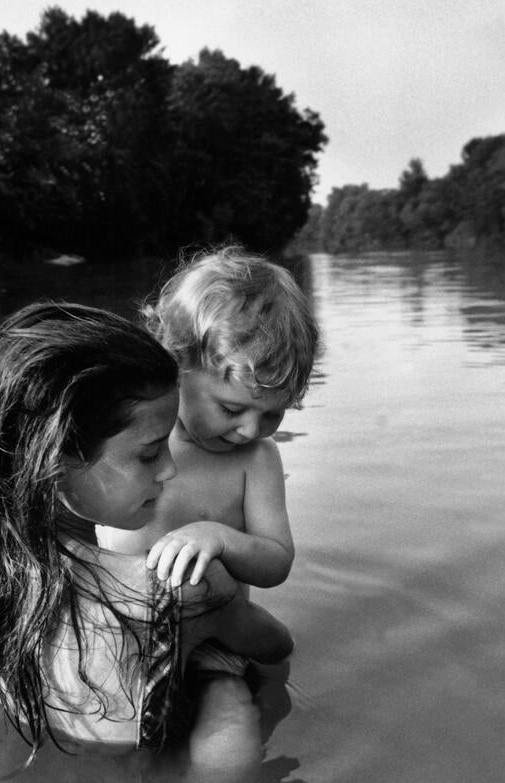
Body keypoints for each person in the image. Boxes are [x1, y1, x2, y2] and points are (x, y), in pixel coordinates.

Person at [0, 301, 292, 768]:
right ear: (56, 462)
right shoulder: (184, 591)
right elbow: (276, 645)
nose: (170, 469)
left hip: (24, 744)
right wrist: (221, 611)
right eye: (151, 453)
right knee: (230, 701)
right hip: (132, 760)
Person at [97, 247, 319, 760]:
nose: (251, 430)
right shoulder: (131, 435)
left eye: (272, 415)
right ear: (175, 366)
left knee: (232, 733)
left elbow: (276, 562)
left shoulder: (255, 461)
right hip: (113, 628)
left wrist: (219, 538)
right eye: (233, 408)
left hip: (212, 638)